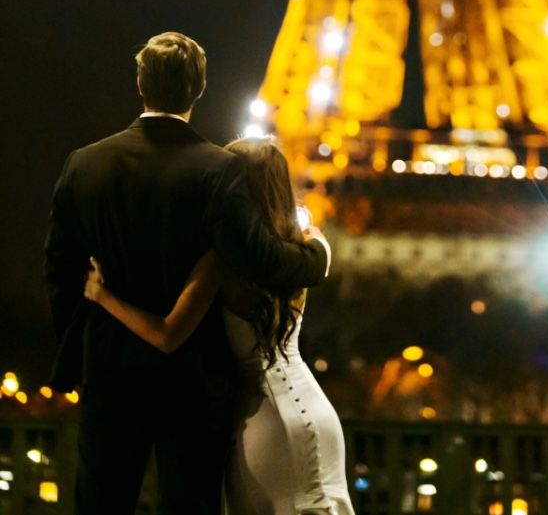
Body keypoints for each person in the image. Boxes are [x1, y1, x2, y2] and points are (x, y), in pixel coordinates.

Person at [44, 31, 330, 515]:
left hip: (110, 376)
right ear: (198, 90)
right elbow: (261, 259)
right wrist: (318, 256)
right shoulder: (218, 171)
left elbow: (60, 274)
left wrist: (81, 360)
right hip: (193, 385)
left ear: (140, 83)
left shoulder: (83, 164)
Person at [84, 137, 355, 515]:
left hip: (264, 421)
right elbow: (321, 257)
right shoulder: (304, 245)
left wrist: (103, 296)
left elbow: (166, 335)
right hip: (318, 414)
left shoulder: (220, 262)